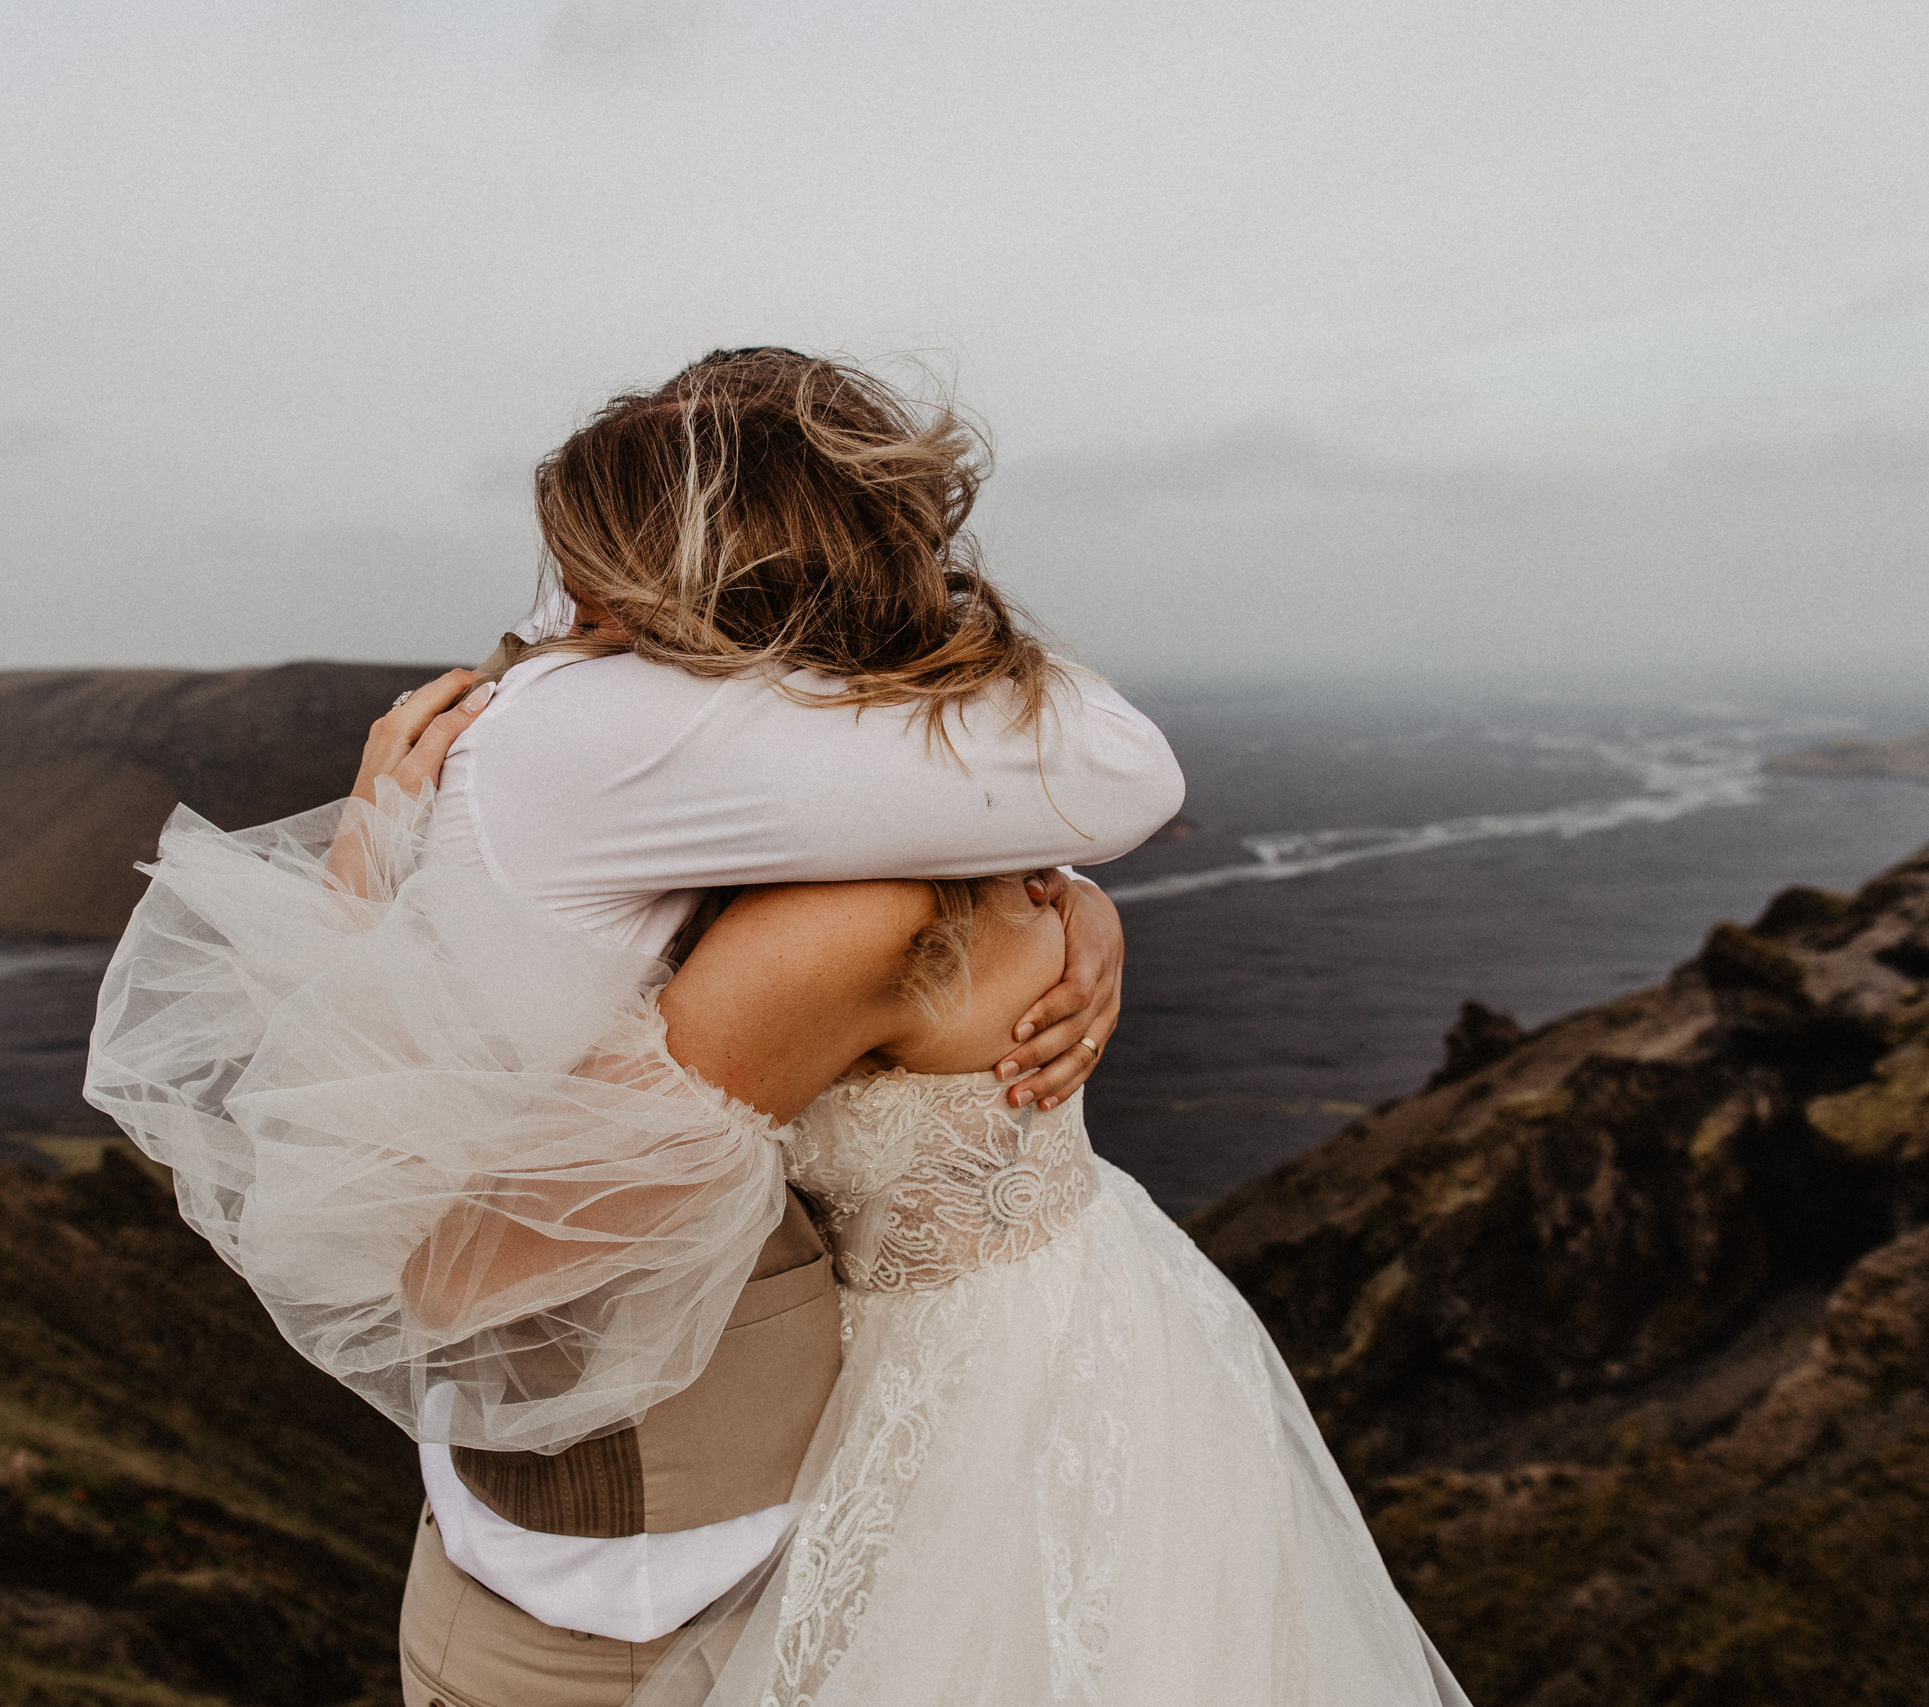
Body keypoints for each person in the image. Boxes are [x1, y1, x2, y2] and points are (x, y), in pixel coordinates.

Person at [86, 349, 1464, 1704]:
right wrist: (1082, 909)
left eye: (594, 564)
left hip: (940, 1434)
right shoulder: (914, 804)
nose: (565, 610)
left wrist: (362, 924)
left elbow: (473, 1264)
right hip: (1100, 1349)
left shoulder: (816, 899)